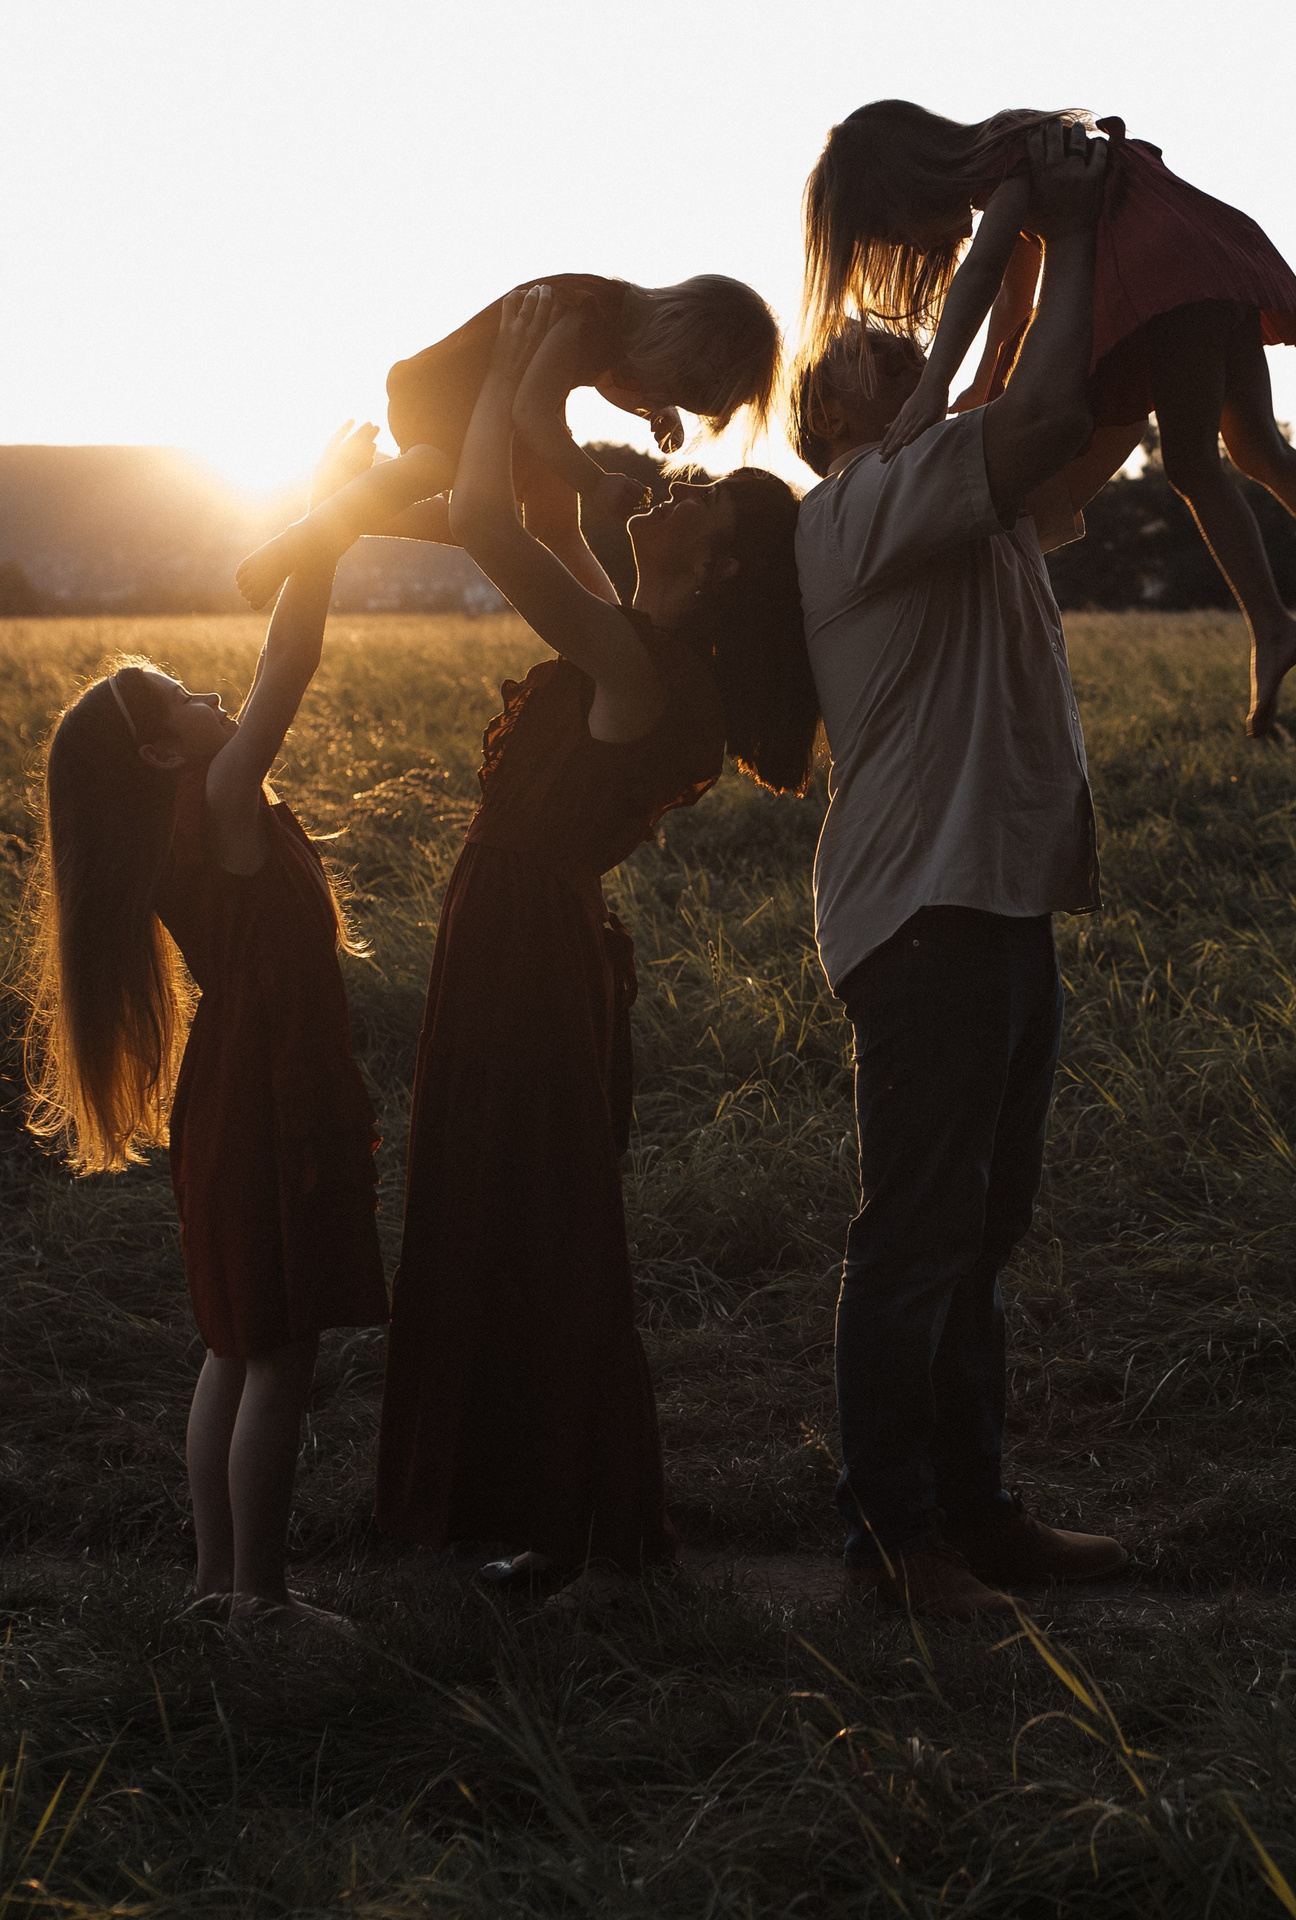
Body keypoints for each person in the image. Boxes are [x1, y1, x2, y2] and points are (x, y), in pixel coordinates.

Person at [374, 286, 816, 1607]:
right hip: (516, 943)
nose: (673, 489)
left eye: (703, 503)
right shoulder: (637, 643)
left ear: (719, 568)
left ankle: (570, 1521)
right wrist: (535, 389)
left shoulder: (643, 673)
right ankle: (556, 1521)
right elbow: (545, 521)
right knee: (520, 1218)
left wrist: (518, 371)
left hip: (525, 957)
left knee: (531, 1226)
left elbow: (483, 524)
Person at [791, 123, 1128, 1620]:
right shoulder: (859, 510)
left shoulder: (956, 493)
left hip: (991, 898)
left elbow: (1073, 412)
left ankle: (976, 1518)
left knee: (980, 1235)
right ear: (833, 417)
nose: (893, 340)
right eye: (872, 351)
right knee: (918, 1240)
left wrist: (1073, 237)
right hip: (923, 913)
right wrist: (1013, 214)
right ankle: (894, 1545)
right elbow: (1026, 389)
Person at [19, 426, 394, 1626]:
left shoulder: (199, 817)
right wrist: (329, 517)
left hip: (241, 1088)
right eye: (187, 695)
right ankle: (264, 1607)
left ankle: (215, 1592)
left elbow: (265, 673)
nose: (215, 693)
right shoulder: (220, 802)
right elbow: (292, 657)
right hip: (269, 1093)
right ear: (157, 749)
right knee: (276, 1353)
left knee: (235, 1347)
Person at [801, 99, 1296, 737]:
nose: (913, 245)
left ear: (908, 181)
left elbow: (984, 273)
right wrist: (983, 384)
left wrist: (934, 388)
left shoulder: (1011, 158)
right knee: (1260, 449)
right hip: (1197, 253)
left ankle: (1274, 624)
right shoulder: (1012, 156)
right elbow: (1016, 293)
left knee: (1190, 463)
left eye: (896, 229)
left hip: (1168, 270)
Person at [235, 271, 779, 609]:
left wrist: (655, 408)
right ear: (679, 338)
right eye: (676, 388)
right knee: (435, 469)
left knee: (554, 530)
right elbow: (533, 411)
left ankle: (619, 628)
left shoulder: (624, 328)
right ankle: (299, 539)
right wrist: (593, 480)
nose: (660, 395)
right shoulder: (589, 316)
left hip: (514, 413)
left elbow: (609, 380)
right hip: (449, 397)